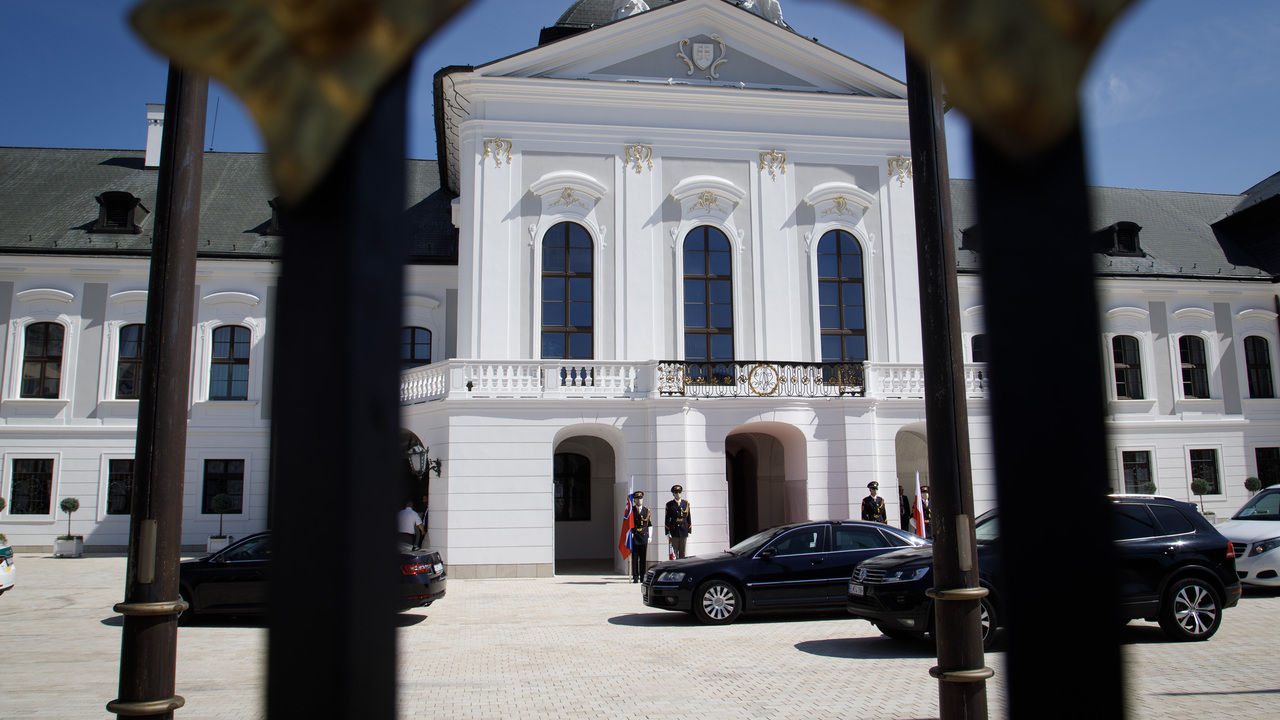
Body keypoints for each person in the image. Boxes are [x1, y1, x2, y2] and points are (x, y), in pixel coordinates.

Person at [629, 491, 652, 583]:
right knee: (634, 558)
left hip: (643, 536)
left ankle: (642, 576)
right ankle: (635, 576)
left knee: (643, 558)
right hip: (635, 536)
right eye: (637, 499)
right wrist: (630, 534)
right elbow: (629, 524)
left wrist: (650, 536)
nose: (640, 500)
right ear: (634, 500)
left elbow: (649, 524)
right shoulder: (632, 510)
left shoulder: (646, 510)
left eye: (641, 499)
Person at [665, 485, 692, 559]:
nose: (678, 494)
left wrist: (689, 530)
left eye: (679, 492)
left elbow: (688, 517)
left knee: (682, 552)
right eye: (676, 493)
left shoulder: (685, 504)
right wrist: (667, 532)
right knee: (674, 552)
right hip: (674, 531)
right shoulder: (669, 505)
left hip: (683, 529)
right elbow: (667, 519)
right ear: (673, 494)